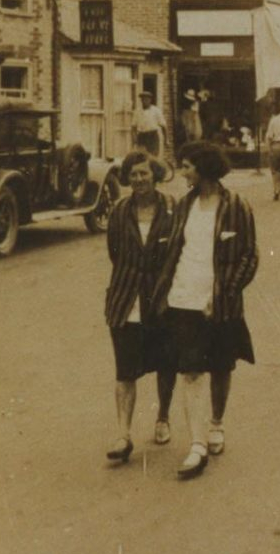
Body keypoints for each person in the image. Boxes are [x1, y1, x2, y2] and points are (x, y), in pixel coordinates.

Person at [152, 142, 258, 479]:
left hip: (219, 301)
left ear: (204, 169)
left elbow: (249, 256)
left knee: (222, 366)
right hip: (183, 296)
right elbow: (173, 250)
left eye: (187, 167)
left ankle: (216, 423)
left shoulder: (236, 206)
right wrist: (165, 289)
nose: (183, 173)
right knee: (190, 370)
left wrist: (224, 291)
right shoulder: (184, 205)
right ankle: (197, 444)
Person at [104, 150, 176, 463]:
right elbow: (115, 252)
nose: (138, 180)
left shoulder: (171, 209)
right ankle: (123, 434)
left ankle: (162, 416)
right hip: (126, 298)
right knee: (125, 368)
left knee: (166, 362)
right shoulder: (120, 211)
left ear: (155, 176)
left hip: (161, 298)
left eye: (144, 174)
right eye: (133, 175)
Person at [132, 91, 167, 159]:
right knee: (141, 156)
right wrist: (135, 139)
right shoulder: (137, 111)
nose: (144, 101)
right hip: (142, 136)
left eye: (146, 99)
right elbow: (133, 127)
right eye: (142, 99)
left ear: (150, 100)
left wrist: (166, 139)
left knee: (153, 156)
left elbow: (163, 126)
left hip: (152, 136)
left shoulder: (156, 111)